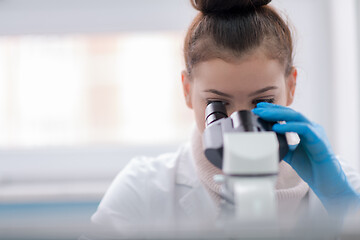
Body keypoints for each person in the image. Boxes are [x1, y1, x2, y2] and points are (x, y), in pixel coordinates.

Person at [89, 0, 360, 235]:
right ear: (187, 90)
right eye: (217, 105)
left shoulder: (341, 183)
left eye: (262, 102)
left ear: (291, 87)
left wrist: (343, 204)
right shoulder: (143, 188)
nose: (238, 123)